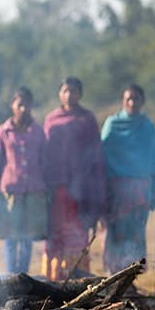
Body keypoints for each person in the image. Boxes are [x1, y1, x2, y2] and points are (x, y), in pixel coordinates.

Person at [42, 76, 106, 280]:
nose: (69, 95)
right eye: (65, 91)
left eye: (74, 91)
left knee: (77, 234)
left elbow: (96, 156)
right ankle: (53, 280)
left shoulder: (87, 119)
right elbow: (45, 154)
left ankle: (77, 278)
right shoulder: (51, 119)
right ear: (60, 94)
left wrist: (96, 189)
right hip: (56, 187)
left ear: (80, 94)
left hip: (81, 188)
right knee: (56, 233)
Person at [100, 83, 155, 274]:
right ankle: (114, 278)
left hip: (140, 191)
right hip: (116, 190)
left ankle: (130, 279)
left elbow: (154, 159)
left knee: (135, 234)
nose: (132, 102)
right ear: (123, 101)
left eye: (136, 98)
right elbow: (101, 155)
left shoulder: (147, 126)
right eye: (128, 98)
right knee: (115, 234)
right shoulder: (113, 124)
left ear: (142, 101)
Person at [0, 86, 47, 275]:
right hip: (10, 192)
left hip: (34, 192)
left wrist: (48, 191)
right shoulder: (3, 132)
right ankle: (12, 275)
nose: (23, 109)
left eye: (27, 105)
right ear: (12, 105)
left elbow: (45, 162)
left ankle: (23, 275)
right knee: (11, 237)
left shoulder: (38, 132)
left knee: (28, 238)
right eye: (19, 104)